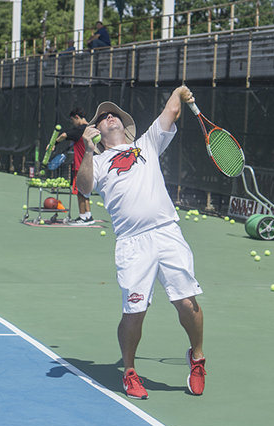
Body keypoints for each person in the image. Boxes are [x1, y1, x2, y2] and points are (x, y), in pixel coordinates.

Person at [76, 86, 206, 399]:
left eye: (114, 114)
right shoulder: (100, 161)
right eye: (102, 117)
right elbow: (82, 188)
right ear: (97, 130)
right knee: (134, 312)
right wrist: (89, 150)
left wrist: (179, 92)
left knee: (187, 302)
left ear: (123, 123)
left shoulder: (147, 144)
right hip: (133, 244)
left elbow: (172, 111)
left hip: (167, 232)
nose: (109, 117)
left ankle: (198, 358)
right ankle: (130, 371)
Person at [56, 107, 94, 225]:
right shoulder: (92, 128)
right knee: (86, 192)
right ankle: (88, 216)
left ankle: (82, 217)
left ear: (77, 117)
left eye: (73, 120)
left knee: (80, 192)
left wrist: (54, 143)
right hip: (91, 166)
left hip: (80, 167)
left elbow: (63, 135)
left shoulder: (79, 130)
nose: (72, 122)